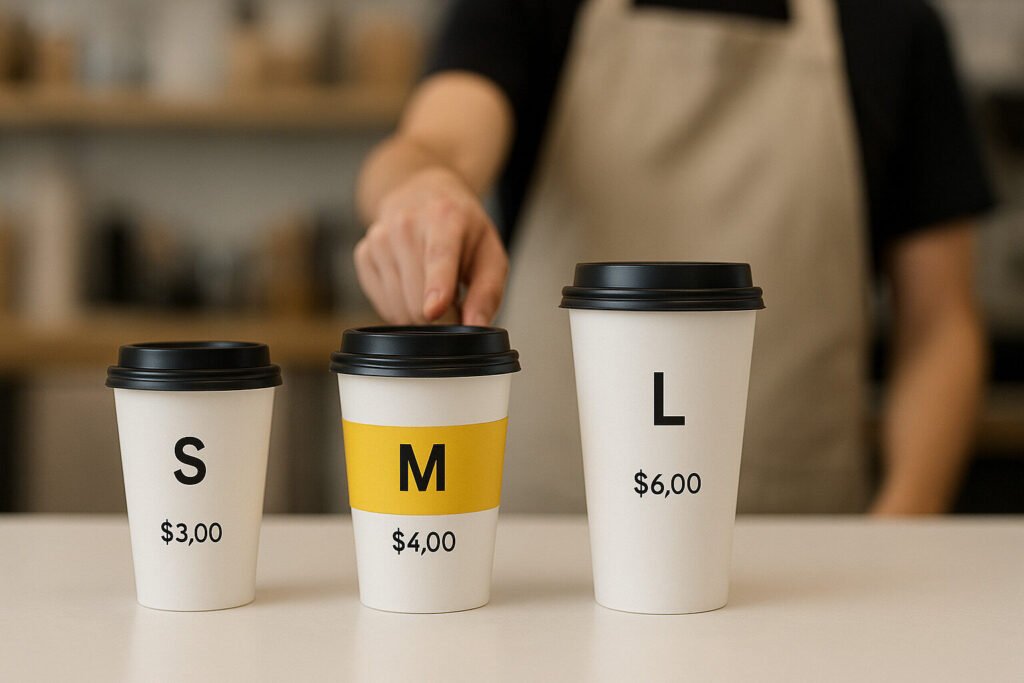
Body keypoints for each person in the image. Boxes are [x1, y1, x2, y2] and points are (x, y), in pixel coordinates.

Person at [353, 0, 992, 514]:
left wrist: (903, 518)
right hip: (549, 540)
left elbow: (939, 325)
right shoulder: (529, 10)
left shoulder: (895, 24)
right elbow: (435, 142)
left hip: (805, 540)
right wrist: (422, 193)